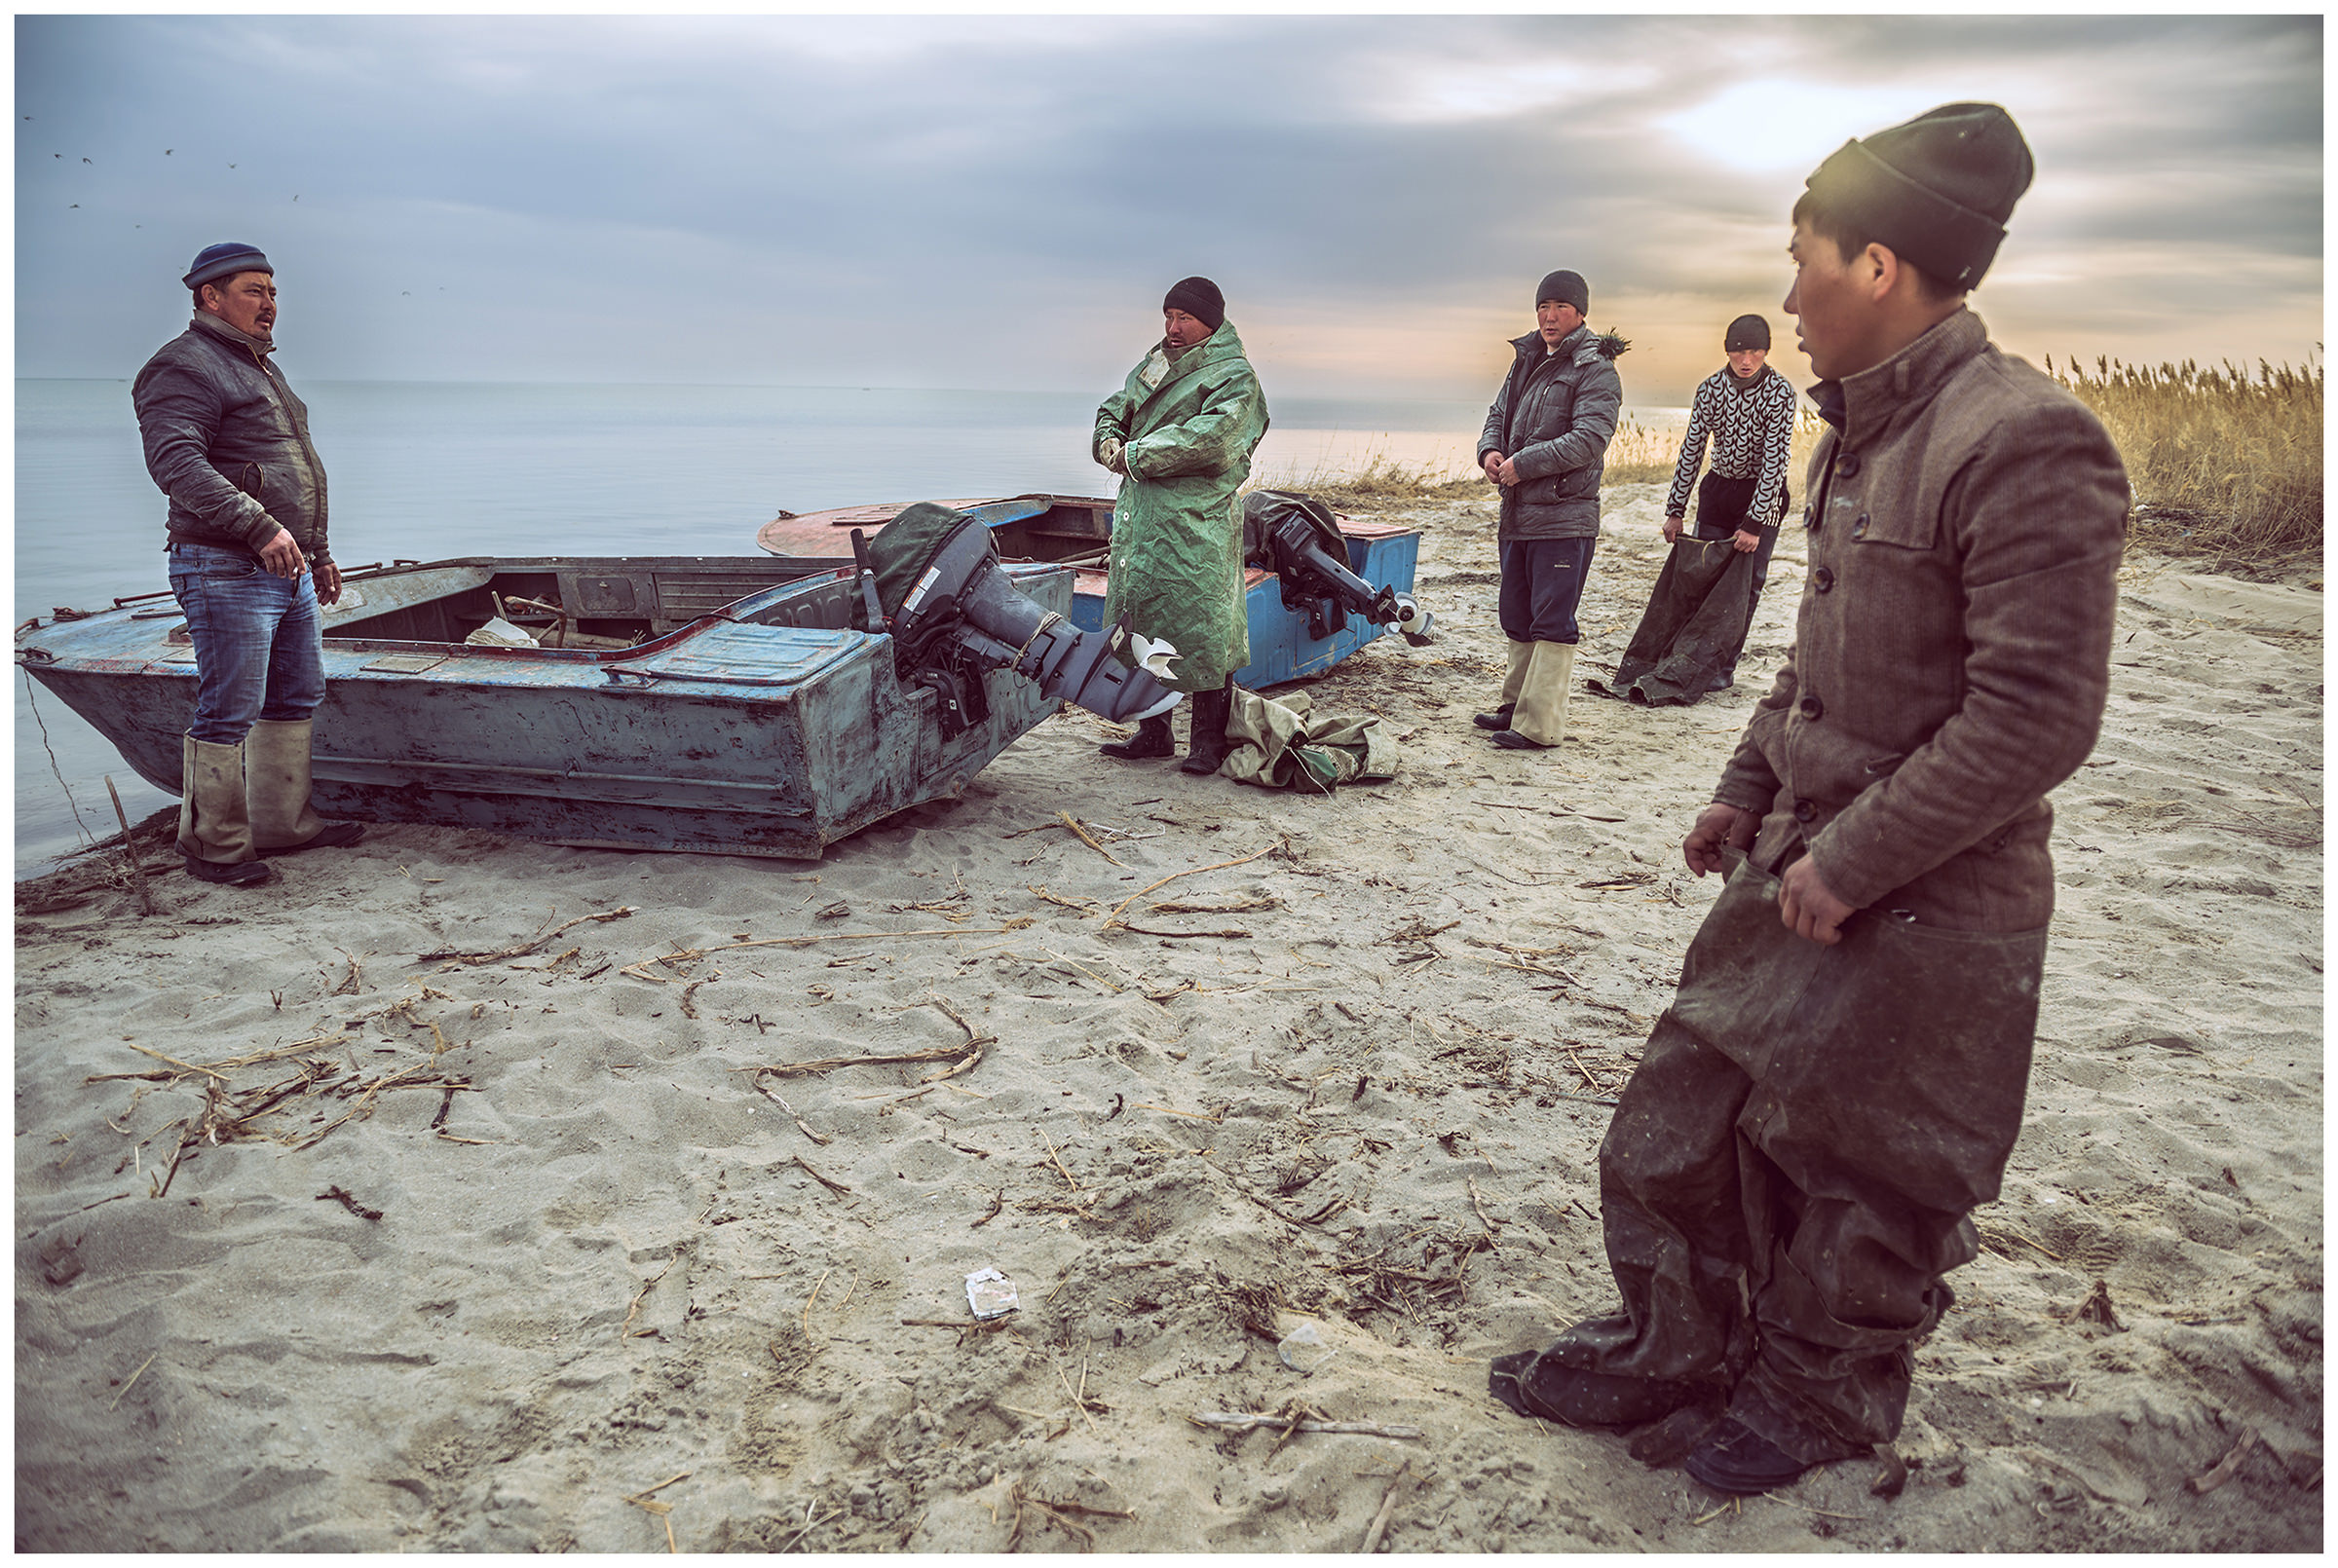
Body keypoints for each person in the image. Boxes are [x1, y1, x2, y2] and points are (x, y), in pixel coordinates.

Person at [1487, 103, 2129, 1495]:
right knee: (1683, 1114)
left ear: (1880, 265)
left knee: (1863, 1180)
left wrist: (1857, 857)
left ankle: (1820, 1396)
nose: (1788, 294)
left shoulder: (2025, 439)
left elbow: (2037, 716)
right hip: (1792, 857)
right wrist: (1744, 784)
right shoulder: (1858, 435)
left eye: (1805, 258)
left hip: (1931, 902)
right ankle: (1676, 1343)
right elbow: (1816, 660)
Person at [133, 242, 363, 887]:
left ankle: (282, 826)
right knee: (229, 707)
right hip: (224, 564)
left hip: (283, 566)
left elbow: (291, 472)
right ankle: (213, 846)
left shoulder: (259, 367)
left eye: (272, 292)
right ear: (210, 296)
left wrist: (317, 554)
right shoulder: (183, 367)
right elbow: (176, 464)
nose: (270, 304)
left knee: (294, 695)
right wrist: (260, 527)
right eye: (254, 291)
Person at [1091, 277, 1270, 775]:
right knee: (1144, 620)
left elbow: (1212, 440)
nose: (1172, 327)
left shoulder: (1235, 377)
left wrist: (1132, 454)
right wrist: (1107, 440)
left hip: (1196, 524)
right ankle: (1153, 734)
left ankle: (1208, 743)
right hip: (1141, 520)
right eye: (1167, 316)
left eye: (1183, 318)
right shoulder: (1155, 364)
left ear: (1209, 321)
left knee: (1205, 627)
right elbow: (1115, 408)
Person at [1472, 269, 1626, 750]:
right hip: (1518, 512)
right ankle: (1515, 707)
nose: (1549, 316)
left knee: (1552, 619)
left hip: (1564, 515)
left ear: (1581, 312)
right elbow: (1498, 414)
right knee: (1516, 611)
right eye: (1543, 306)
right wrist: (1490, 453)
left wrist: (1525, 465)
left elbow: (1590, 439)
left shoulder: (1595, 367)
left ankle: (1539, 726)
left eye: (1560, 306)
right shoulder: (1526, 359)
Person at [1659, 313, 1799, 689]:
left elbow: (1776, 461)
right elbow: (1692, 449)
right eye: (1739, 351)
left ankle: (1723, 669)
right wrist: (1675, 510)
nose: (1746, 359)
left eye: (1755, 351)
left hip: (1761, 496)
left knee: (1746, 586)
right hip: (1719, 490)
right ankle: (1691, 662)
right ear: (1728, 351)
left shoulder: (1781, 393)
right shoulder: (1709, 390)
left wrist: (1754, 523)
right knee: (1704, 579)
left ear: (1766, 351)